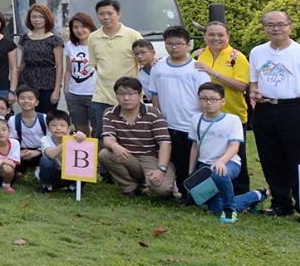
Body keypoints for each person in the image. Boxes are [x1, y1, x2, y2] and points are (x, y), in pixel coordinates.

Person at [248, 9, 300, 223]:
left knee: (298, 160)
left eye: (280, 24)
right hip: (265, 111)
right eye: (270, 24)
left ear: (289, 26)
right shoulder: (257, 52)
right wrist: (255, 92)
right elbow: (253, 80)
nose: (276, 28)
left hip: (294, 110)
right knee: (271, 159)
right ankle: (280, 203)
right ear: (264, 28)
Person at [146, 26, 208, 197]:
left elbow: (205, 97)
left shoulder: (197, 69)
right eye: (169, 44)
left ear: (188, 45)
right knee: (174, 160)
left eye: (178, 44)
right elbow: (155, 94)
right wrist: (158, 118)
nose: (174, 47)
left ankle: (195, 194)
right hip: (168, 124)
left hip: (191, 124)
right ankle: (180, 191)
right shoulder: (158, 68)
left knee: (192, 161)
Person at [189, 81, 263, 223]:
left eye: (213, 99)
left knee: (219, 173)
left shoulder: (232, 120)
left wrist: (222, 161)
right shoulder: (195, 119)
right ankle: (256, 196)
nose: (208, 103)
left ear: (222, 101)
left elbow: (235, 146)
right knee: (216, 208)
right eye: (203, 99)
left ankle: (230, 209)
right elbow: (195, 146)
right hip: (204, 166)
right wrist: (191, 171)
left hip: (229, 163)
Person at [99, 75, 174, 198]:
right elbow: (108, 138)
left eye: (130, 94)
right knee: (105, 154)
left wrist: (161, 169)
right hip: (127, 155)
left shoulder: (153, 113)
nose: (126, 98)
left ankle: (150, 181)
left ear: (140, 95)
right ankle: (130, 187)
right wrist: (114, 145)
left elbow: (165, 143)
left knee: (164, 191)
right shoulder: (110, 113)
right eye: (121, 93)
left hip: (150, 157)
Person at [195, 20, 251, 125]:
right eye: (211, 34)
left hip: (233, 116)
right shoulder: (198, 55)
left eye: (221, 35)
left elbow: (242, 87)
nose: (216, 38)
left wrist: (214, 74)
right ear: (205, 36)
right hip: (204, 115)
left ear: (227, 37)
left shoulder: (237, 57)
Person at [87, 0, 141, 103]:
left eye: (110, 13)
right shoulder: (93, 37)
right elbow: (96, 65)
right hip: (101, 97)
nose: (106, 17)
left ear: (118, 14)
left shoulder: (133, 35)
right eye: (101, 14)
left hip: (128, 97)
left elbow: (143, 62)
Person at [63, 13, 100, 140]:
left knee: (97, 128)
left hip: (95, 94)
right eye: (75, 27)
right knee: (80, 131)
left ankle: (98, 158)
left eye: (83, 26)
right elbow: (68, 70)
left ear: (90, 27)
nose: (79, 30)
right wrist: (66, 90)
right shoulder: (70, 46)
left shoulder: (97, 44)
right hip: (74, 95)